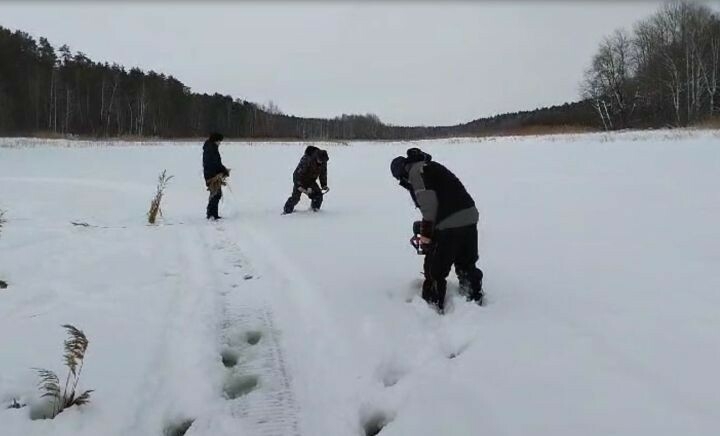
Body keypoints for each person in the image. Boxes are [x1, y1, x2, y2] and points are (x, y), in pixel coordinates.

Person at [391, 148, 484, 313]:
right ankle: (474, 299)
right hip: (469, 217)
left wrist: (426, 238)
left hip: (449, 223)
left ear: (401, 173)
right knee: (466, 263)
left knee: (435, 269)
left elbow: (430, 210)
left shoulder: (415, 173)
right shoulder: (429, 166)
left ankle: (432, 307)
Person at [283, 146, 330, 214]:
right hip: (300, 180)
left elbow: (323, 174)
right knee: (295, 198)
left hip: (311, 181)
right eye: (320, 161)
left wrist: (324, 185)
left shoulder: (323, 161)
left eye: (322, 161)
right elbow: (296, 174)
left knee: (318, 195)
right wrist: (299, 185)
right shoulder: (307, 159)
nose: (321, 162)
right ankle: (287, 211)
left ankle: (315, 210)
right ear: (317, 157)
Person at [202, 132, 229, 220]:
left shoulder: (211, 147)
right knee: (216, 194)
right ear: (215, 140)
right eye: (219, 141)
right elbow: (214, 163)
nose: (220, 143)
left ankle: (213, 214)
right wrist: (222, 170)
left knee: (216, 193)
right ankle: (211, 214)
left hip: (211, 173)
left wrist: (222, 169)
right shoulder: (211, 149)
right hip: (212, 175)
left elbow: (216, 162)